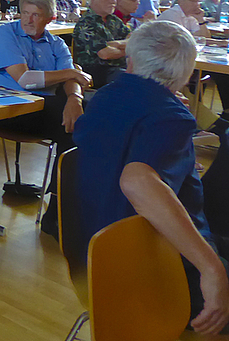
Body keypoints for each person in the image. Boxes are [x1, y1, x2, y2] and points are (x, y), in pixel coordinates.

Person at [74, 20, 229, 337]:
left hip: (92, 254)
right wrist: (212, 269)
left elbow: (113, 150)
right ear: (186, 75)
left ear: (130, 61)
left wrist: (181, 160)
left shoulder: (102, 98)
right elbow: (136, 181)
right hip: (157, 270)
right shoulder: (171, 117)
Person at [0, 0, 91, 234]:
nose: (27, 20)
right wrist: (72, 74)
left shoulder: (56, 43)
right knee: (79, 126)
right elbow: (25, 79)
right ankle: (59, 212)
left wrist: (75, 96)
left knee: (84, 119)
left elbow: (70, 77)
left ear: (50, 19)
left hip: (43, 109)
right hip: (5, 109)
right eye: (25, 13)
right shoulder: (6, 33)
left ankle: (59, 210)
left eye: (35, 15)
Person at [72, 0, 130, 89]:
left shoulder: (113, 20)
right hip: (96, 72)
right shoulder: (87, 23)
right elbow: (105, 54)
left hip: (118, 68)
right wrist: (129, 48)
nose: (113, 1)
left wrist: (116, 44)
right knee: (130, 80)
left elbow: (134, 38)